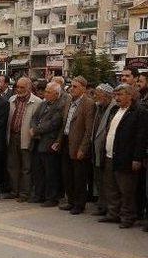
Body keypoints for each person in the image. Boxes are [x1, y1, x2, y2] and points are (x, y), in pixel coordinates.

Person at [99, 84, 147, 228]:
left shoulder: (139, 112)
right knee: (111, 187)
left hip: (126, 157)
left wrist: (137, 158)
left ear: (130, 96)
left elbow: (141, 137)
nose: (117, 98)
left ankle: (128, 217)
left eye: (120, 95)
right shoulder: (115, 110)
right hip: (110, 155)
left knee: (127, 190)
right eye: (116, 95)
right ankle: (113, 214)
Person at [59, 76, 95, 215]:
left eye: (75, 87)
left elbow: (88, 129)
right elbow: (64, 123)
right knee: (67, 174)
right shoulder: (69, 101)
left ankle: (79, 204)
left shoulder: (88, 104)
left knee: (79, 176)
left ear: (83, 88)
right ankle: (71, 201)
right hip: (66, 142)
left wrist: (83, 148)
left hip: (78, 144)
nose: (72, 89)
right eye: (71, 86)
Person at [5, 77, 41, 202]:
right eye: (17, 87)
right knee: (12, 165)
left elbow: (37, 122)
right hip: (13, 135)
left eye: (22, 87)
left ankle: (25, 193)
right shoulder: (12, 99)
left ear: (29, 88)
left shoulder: (37, 102)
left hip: (26, 137)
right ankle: (14, 191)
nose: (19, 90)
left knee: (26, 167)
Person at [30, 82, 65, 207]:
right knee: (39, 171)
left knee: (51, 172)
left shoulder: (60, 105)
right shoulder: (43, 103)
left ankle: (52, 197)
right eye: (46, 91)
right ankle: (39, 195)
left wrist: (36, 130)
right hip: (38, 142)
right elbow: (34, 118)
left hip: (49, 142)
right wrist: (34, 128)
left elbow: (54, 123)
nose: (46, 94)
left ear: (56, 94)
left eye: (49, 92)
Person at [91, 84, 116, 216]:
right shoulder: (98, 107)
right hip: (96, 148)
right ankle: (102, 206)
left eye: (98, 94)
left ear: (106, 96)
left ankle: (110, 209)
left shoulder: (113, 109)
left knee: (108, 182)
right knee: (99, 179)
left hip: (106, 149)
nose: (95, 96)